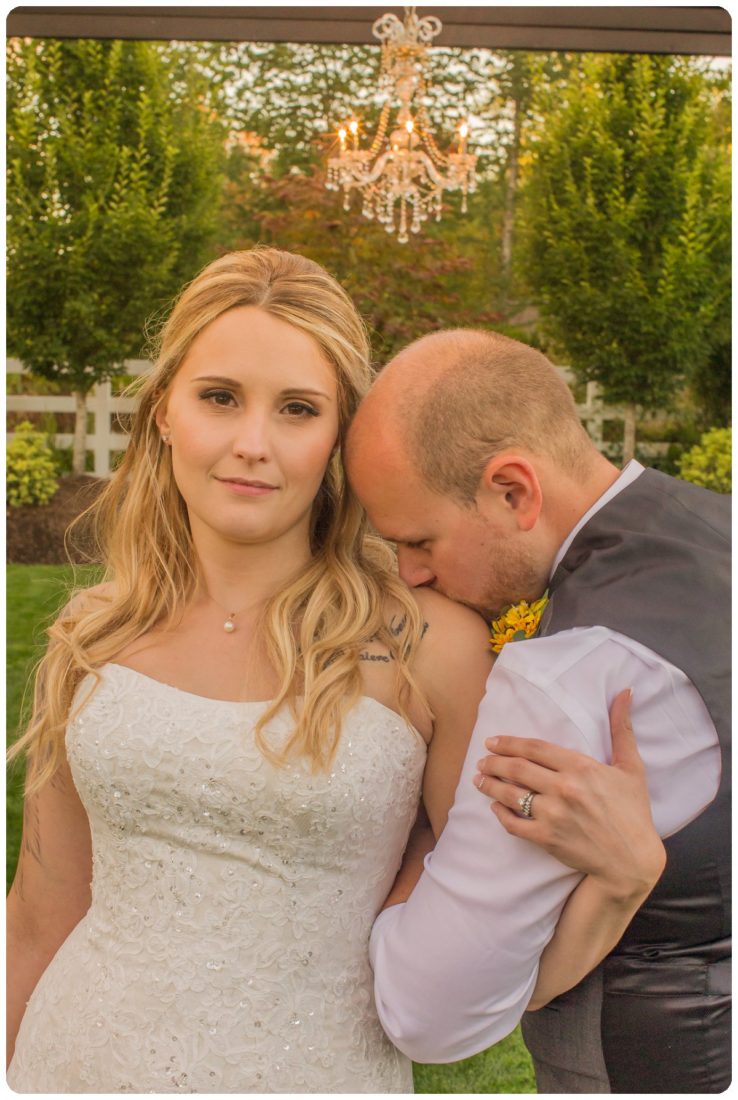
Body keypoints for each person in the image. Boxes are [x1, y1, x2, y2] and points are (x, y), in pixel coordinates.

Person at [7, 251, 660, 1094]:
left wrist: (622, 879)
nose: (252, 444)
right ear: (165, 412)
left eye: (297, 410)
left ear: (339, 437)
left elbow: (490, 956)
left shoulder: (431, 645)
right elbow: (37, 916)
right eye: (218, 398)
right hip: (69, 1062)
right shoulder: (89, 636)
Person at [346, 327, 730, 1093]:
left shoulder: (571, 677)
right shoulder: (721, 527)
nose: (411, 575)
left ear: (513, 490)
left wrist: (422, 838)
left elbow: (429, 1011)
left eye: (418, 541)